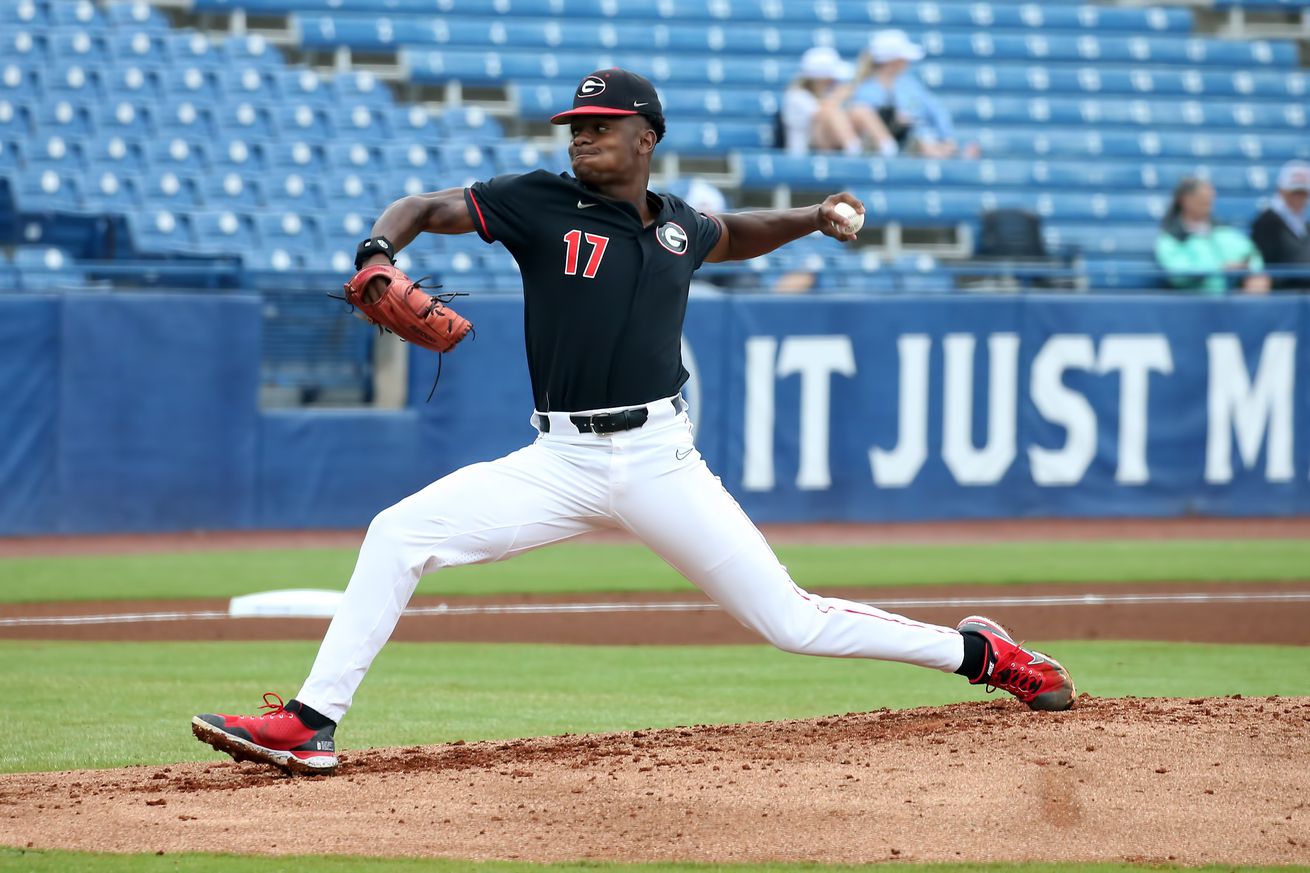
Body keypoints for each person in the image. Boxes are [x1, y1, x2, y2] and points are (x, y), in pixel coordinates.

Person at [191, 68, 1075, 776]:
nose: (581, 137)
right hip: (557, 460)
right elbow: (422, 208)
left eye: (600, 126)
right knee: (398, 532)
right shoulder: (538, 202)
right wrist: (378, 253)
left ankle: (981, 655)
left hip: (659, 460)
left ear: (645, 139)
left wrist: (812, 218)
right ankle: (310, 723)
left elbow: (736, 230)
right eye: (576, 126)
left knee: (790, 622)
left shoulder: (679, 227)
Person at [850, 30, 977, 160]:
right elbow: (864, 118)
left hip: (914, 139)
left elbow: (934, 110)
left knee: (923, 141)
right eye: (904, 58)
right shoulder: (866, 89)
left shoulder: (910, 86)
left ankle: (945, 151)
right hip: (883, 143)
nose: (907, 62)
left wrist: (947, 137)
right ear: (894, 61)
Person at [1156, 176, 1270, 295]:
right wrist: (1219, 269)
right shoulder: (1172, 237)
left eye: (1210, 199)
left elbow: (1251, 254)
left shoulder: (1223, 231)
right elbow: (1179, 275)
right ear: (1185, 200)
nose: (1208, 203)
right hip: (1194, 300)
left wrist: (1251, 271)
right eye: (1201, 199)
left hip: (1233, 299)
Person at [780, 46, 895, 158]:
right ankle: (853, 148)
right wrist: (838, 96)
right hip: (806, 148)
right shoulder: (796, 96)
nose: (833, 81)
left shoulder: (827, 94)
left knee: (860, 110)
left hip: (830, 144)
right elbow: (821, 114)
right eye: (830, 78)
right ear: (820, 79)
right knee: (833, 112)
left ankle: (888, 147)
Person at [1250, 160, 1310, 290]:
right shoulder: (1267, 221)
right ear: (1281, 190)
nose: (1299, 199)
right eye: (1295, 192)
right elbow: (1266, 263)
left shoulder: (1303, 223)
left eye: (1303, 193)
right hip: (1283, 289)